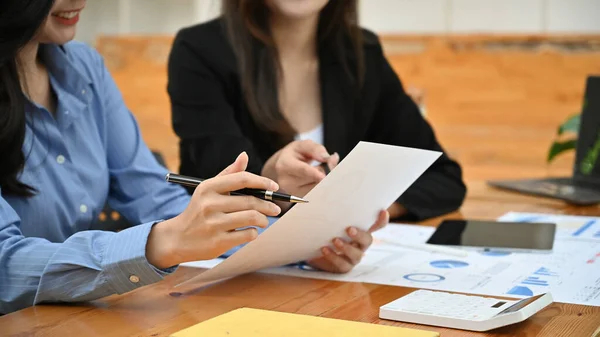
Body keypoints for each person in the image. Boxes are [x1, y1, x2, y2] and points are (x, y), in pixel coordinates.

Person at [0, 0, 387, 314]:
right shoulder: (204, 49)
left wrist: (299, 247)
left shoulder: (83, 67)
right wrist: (161, 242)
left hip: (70, 315)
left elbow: (152, 191)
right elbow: (5, 266)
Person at [168, 0, 467, 222]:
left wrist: (359, 211)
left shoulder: (362, 53)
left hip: (336, 267)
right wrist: (273, 177)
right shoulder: (199, 51)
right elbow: (219, 181)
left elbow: (443, 179)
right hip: (225, 267)